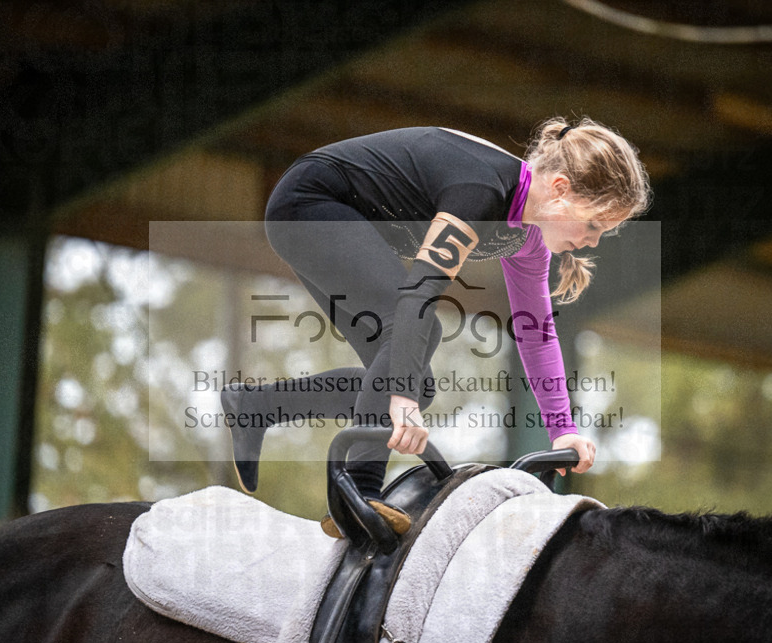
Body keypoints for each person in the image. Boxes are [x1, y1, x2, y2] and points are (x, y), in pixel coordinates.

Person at [222, 117, 650, 538]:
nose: (593, 241)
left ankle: (260, 406)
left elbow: (536, 334)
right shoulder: (480, 192)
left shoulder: (527, 238)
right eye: (594, 224)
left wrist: (563, 430)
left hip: (343, 217)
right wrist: (402, 400)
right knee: (414, 347)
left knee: (415, 382)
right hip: (309, 202)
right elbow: (419, 294)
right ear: (560, 190)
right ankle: (360, 490)